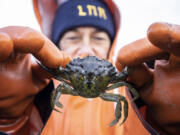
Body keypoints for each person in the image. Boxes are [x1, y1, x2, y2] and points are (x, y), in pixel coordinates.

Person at [0, 1, 179, 135]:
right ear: (55, 45)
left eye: (98, 38)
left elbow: (126, 103)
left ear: (111, 45)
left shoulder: (137, 90)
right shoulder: (36, 92)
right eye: (73, 38)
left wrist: (165, 126)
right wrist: (7, 120)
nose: (86, 48)